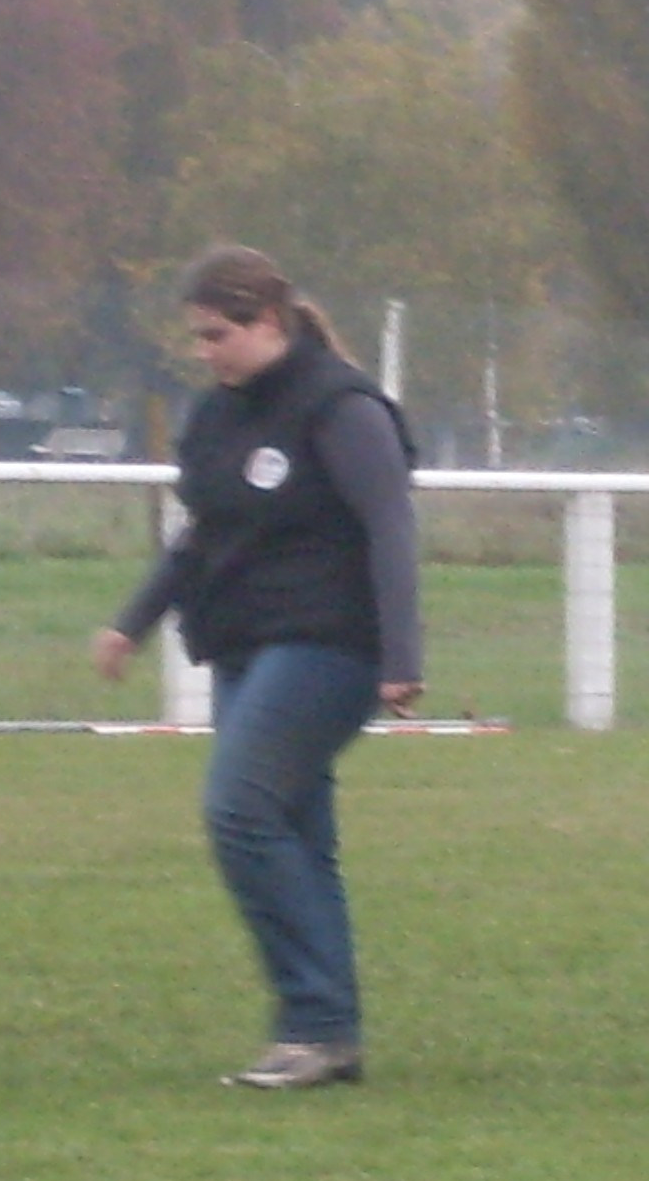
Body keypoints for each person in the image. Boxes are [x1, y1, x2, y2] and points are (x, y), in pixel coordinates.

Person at [91, 244, 423, 1091]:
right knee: (297, 837)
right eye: (197, 338)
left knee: (238, 810)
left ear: (267, 323)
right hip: (242, 646)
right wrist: (132, 623)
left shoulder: (342, 407)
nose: (205, 353)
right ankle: (330, 1036)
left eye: (217, 335)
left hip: (328, 648)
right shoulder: (219, 415)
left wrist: (401, 656)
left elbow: (390, 526)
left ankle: (312, 1023)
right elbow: (201, 537)